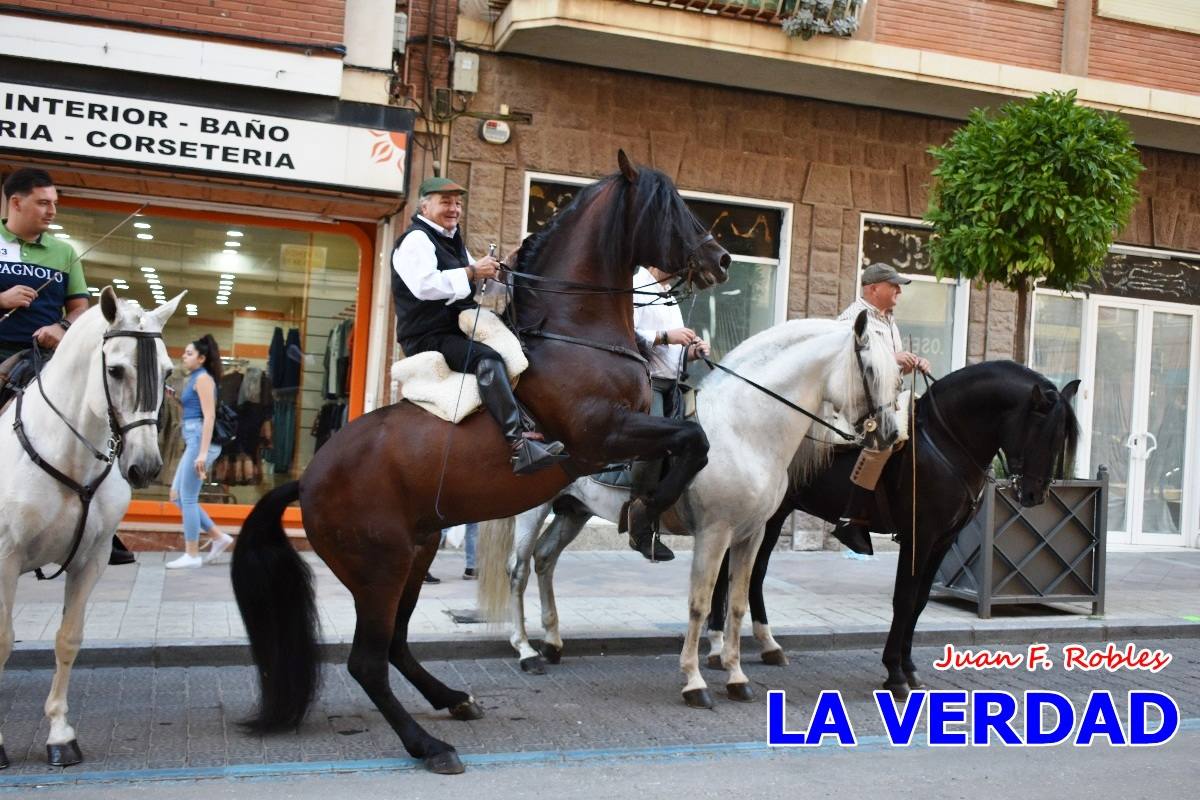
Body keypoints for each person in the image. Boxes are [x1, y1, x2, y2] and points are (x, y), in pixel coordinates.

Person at [0, 168, 136, 566]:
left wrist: (60, 327)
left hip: (45, 356)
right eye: (44, 203)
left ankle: (101, 526)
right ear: (16, 202)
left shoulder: (63, 253)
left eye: (55, 204)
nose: (52, 211)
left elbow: (79, 309)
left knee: (97, 420)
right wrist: (3, 299)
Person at [392, 177, 566, 475]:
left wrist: (501, 273)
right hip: (427, 335)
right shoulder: (416, 239)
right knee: (488, 359)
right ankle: (518, 445)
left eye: (458, 203)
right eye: (446, 202)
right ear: (425, 205)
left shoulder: (452, 239)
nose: (454, 209)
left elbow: (478, 287)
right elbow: (425, 286)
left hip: (456, 329)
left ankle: (530, 428)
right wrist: (473, 271)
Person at [831, 262, 930, 555]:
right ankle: (851, 518)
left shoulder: (888, 319)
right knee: (884, 438)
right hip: (858, 402)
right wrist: (893, 357)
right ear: (874, 288)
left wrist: (912, 363)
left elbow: (889, 364)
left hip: (886, 398)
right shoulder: (852, 318)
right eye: (894, 285)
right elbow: (845, 361)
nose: (899, 290)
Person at [627, 265, 710, 561]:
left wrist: (692, 351)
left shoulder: (669, 295)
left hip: (671, 383)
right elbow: (627, 332)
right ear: (655, 262)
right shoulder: (636, 284)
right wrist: (665, 336)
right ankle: (639, 523)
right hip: (645, 382)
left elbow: (673, 352)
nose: (679, 269)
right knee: (658, 442)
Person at [165, 335, 234, 569]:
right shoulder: (194, 377)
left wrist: (202, 454)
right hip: (193, 438)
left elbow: (209, 416)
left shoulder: (204, 379)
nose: (184, 356)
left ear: (202, 358)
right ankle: (218, 536)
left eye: (190, 353)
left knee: (188, 498)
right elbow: (192, 411)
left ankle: (192, 554)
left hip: (199, 441)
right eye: (185, 352)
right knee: (177, 495)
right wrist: (175, 399)